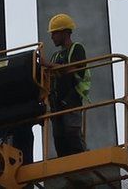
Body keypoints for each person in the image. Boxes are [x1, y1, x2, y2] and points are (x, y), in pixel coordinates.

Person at [42, 13, 90, 157]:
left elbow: (73, 70)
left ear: (65, 32)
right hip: (57, 103)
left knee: (72, 134)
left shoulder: (77, 49)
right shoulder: (55, 56)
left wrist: (48, 65)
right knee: (59, 139)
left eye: (55, 33)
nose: (52, 37)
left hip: (71, 100)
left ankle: (83, 163)